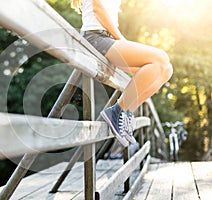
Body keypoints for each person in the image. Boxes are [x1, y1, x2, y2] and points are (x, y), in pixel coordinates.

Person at [71, 0, 173, 147]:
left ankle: (126, 112)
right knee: (161, 57)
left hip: (107, 40)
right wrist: (121, 40)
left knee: (165, 70)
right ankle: (118, 110)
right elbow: (98, 8)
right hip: (95, 38)